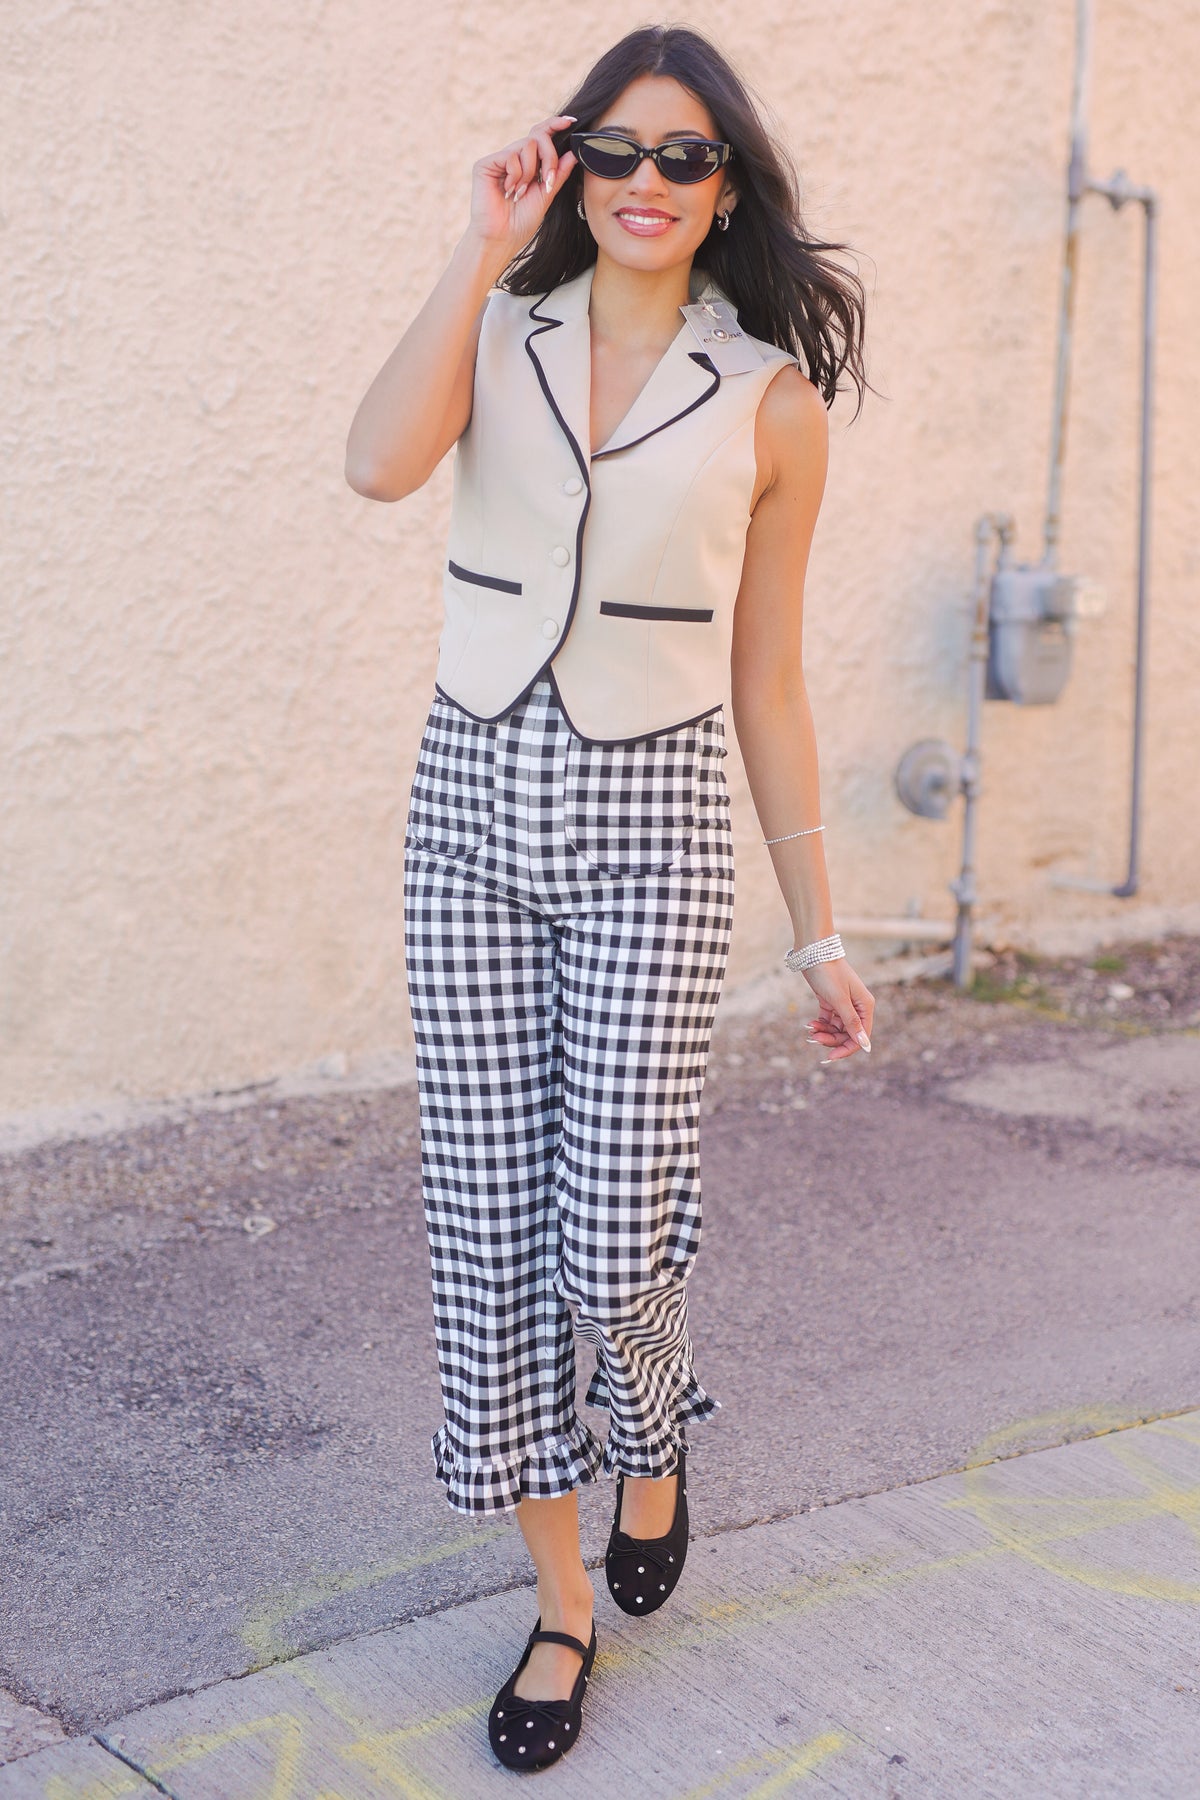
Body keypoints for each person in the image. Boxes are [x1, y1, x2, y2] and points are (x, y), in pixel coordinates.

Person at [346, 22, 875, 1773]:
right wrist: (478, 246)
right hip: (471, 809)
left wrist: (818, 928)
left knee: (607, 1234)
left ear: (732, 189)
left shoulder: (769, 403)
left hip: (653, 823)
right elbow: (375, 464)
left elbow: (773, 683)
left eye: (687, 156)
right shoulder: (501, 326)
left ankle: (654, 1442)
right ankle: (563, 1601)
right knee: (488, 1240)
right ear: (574, 159)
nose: (649, 184)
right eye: (619, 151)